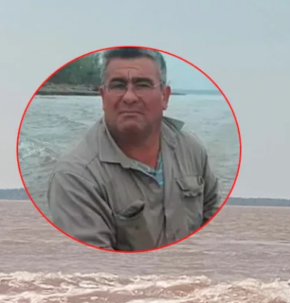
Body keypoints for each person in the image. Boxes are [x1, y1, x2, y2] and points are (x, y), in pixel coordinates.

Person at [46, 47, 220, 252]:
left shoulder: (191, 150)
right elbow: (93, 269)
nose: (129, 97)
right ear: (103, 97)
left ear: (165, 96)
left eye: (143, 85)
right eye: (118, 85)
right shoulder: (75, 177)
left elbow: (213, 225)